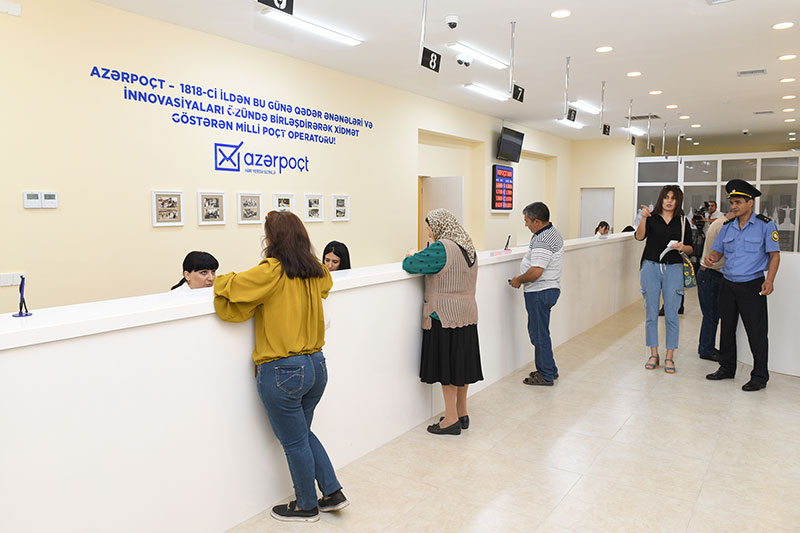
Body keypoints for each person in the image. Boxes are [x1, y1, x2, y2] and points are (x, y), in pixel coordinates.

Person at [213, 211, 348, 522]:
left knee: (295, 440)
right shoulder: (316, 269)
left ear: (272, 238)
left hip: (284, 370)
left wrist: (219, 278)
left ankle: (306, 505)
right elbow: (327, 284)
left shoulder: (272, 270)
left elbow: (231, 287)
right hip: (317, 366)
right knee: (302, 434)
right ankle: (332, 492)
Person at [402, 208, 482, 435]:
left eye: (429, 227)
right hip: (467, 315)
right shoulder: (468, 246)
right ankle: (462, 413)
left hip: (444, 316)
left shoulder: (442, 248)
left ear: (439, 225)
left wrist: (410, 255)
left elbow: (411, 265)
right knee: (461, 367)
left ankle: (450, 419)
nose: (429, 232)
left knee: (448, 371)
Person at [705, 179, 780, 391]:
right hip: (728, 284)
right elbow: (717, 252)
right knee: (727, 328)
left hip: (752, 285)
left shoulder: (765, 225)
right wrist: (712, 258)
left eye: (738, 202)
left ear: (750, 203)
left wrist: (769, 280)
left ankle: (760, 376)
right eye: (732, 202)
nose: (734, 206)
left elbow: (774, 255)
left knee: (756, 332)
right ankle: (727, 368)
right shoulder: (727, 227)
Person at [635, 185, 693, 374]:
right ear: (661, 198)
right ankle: (653, 354)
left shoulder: (682, 221)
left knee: (672, 313)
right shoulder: (651, 218)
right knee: (651, 312)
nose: (669, 201)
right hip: (650, 266)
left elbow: (691, 247)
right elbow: (639, 236)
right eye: (666, 197)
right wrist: (644, 218)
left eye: (673, 198)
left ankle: (669, 355)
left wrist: (683, 247)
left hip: (674, 268)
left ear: (678, 201)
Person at [509, 202, 564, 386]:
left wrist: (518, 280)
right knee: (542, 333)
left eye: (527, 221)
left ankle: (545, 375)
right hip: (547, 290)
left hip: (540, 291)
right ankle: (550, 368)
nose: (526, 225)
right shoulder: (551, 233)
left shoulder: (543, 240)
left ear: (537, 222)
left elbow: (536, 272)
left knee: (539, 335)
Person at [696, 210, 736, 361]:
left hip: (709, 274)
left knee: (711, 314)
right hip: (711, 274)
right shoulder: (724, 226)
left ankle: (705, 346)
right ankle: (706, 349)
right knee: (711, 315)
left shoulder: (719, 222)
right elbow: (725, 250)